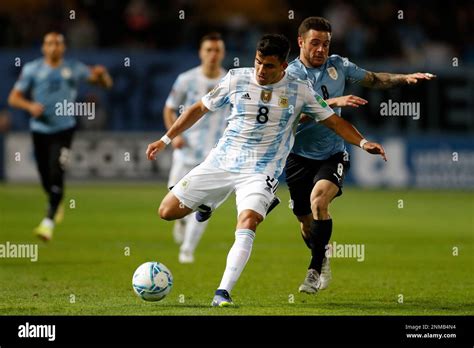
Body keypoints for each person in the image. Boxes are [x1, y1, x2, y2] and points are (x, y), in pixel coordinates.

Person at [146, 33, 386, 307]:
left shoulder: (300, 89)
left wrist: (363, 142)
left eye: (269, 65)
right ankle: (209, 202)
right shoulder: (236, 78)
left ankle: (222, 293)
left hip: (261, 171)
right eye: (258, 62)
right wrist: (164, 139)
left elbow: (334, 122)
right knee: (167, 212)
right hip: (221, 162)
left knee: (248, 222)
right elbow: (199, 108)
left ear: (283, 66)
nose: (261, 70)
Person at [285, 17, 436, 294]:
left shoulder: (338, 66)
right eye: (315, 43)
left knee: (319, 201)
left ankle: (314, 270)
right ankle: (322, 255)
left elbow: (375, 79)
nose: (321, 49)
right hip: (297, 157)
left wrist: (405, 77)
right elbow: (293, 117)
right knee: (306, 222)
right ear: (301, 42)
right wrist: (333, 102)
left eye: (326, 44)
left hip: (333, 152)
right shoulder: (289, 76)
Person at [8, 32, 113, 241]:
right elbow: (13, 98)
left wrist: (102, 75)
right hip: (40, 129)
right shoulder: (32, 69)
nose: (54, 47)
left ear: (63, 48)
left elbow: (105, 84)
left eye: (57, 43)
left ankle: (48, 222)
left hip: (64, 130)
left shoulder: (73, 68)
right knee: (45, 175)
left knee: (57, 171)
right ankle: (56, 200)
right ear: (43, 48)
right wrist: (30, 106)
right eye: (49, 43)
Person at [163, 32, 228, 264]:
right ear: (201, 52)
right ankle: (180, 220)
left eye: (217, 50)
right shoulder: (186, 80)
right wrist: (173, 136)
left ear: (223, 53)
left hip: (214, 157)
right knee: (174, 198)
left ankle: (187, 250)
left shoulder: (230, 81)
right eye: (208, 50)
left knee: (204, 204)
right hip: (185, 152)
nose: (213, 55)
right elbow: (169, 108)